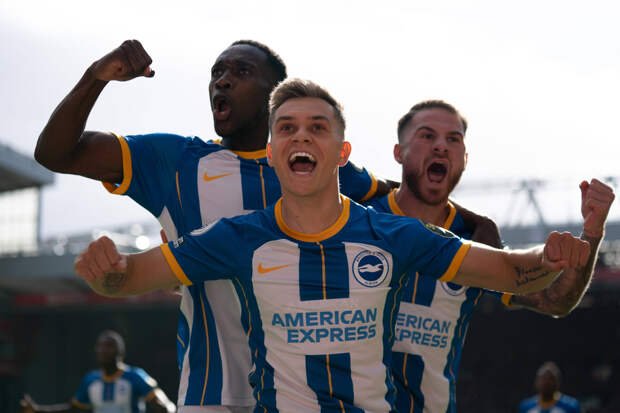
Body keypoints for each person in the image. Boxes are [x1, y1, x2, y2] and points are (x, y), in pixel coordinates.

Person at [72, 79, 590, 412]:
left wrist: (549, 258)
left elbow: (510, 271)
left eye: (317, 128)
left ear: (342, 152)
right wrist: (108, 270)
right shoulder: (238, 238)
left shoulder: (393, 236)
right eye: (287, 128)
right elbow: (131, 277)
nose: (301, 137)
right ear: (271, 151)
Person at [34, 40, 392, 412]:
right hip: (210, 395)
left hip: (307, 397)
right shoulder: (176, 162)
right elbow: (55, 153)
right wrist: (95, 77)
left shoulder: (320, 166)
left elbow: (403, 199)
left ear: (276, 96)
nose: (222, 80)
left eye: (241, 72)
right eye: (217, 72)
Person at [365, 100, 615, 412]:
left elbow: (555, 301)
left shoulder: (477, 240)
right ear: (399, 153)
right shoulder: (359, 220)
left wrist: (592, 233)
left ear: (464, 160)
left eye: (453, 139)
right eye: (427, 136)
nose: (441, 146)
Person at [19, 330, 175, 413]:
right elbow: (73, 409)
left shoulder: (135, 376)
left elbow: (164, 405)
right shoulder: (91, 380)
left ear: (120, 351)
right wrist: (38, 410)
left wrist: (170, 409)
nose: (103, 350)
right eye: (100, 346)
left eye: (109, 346)